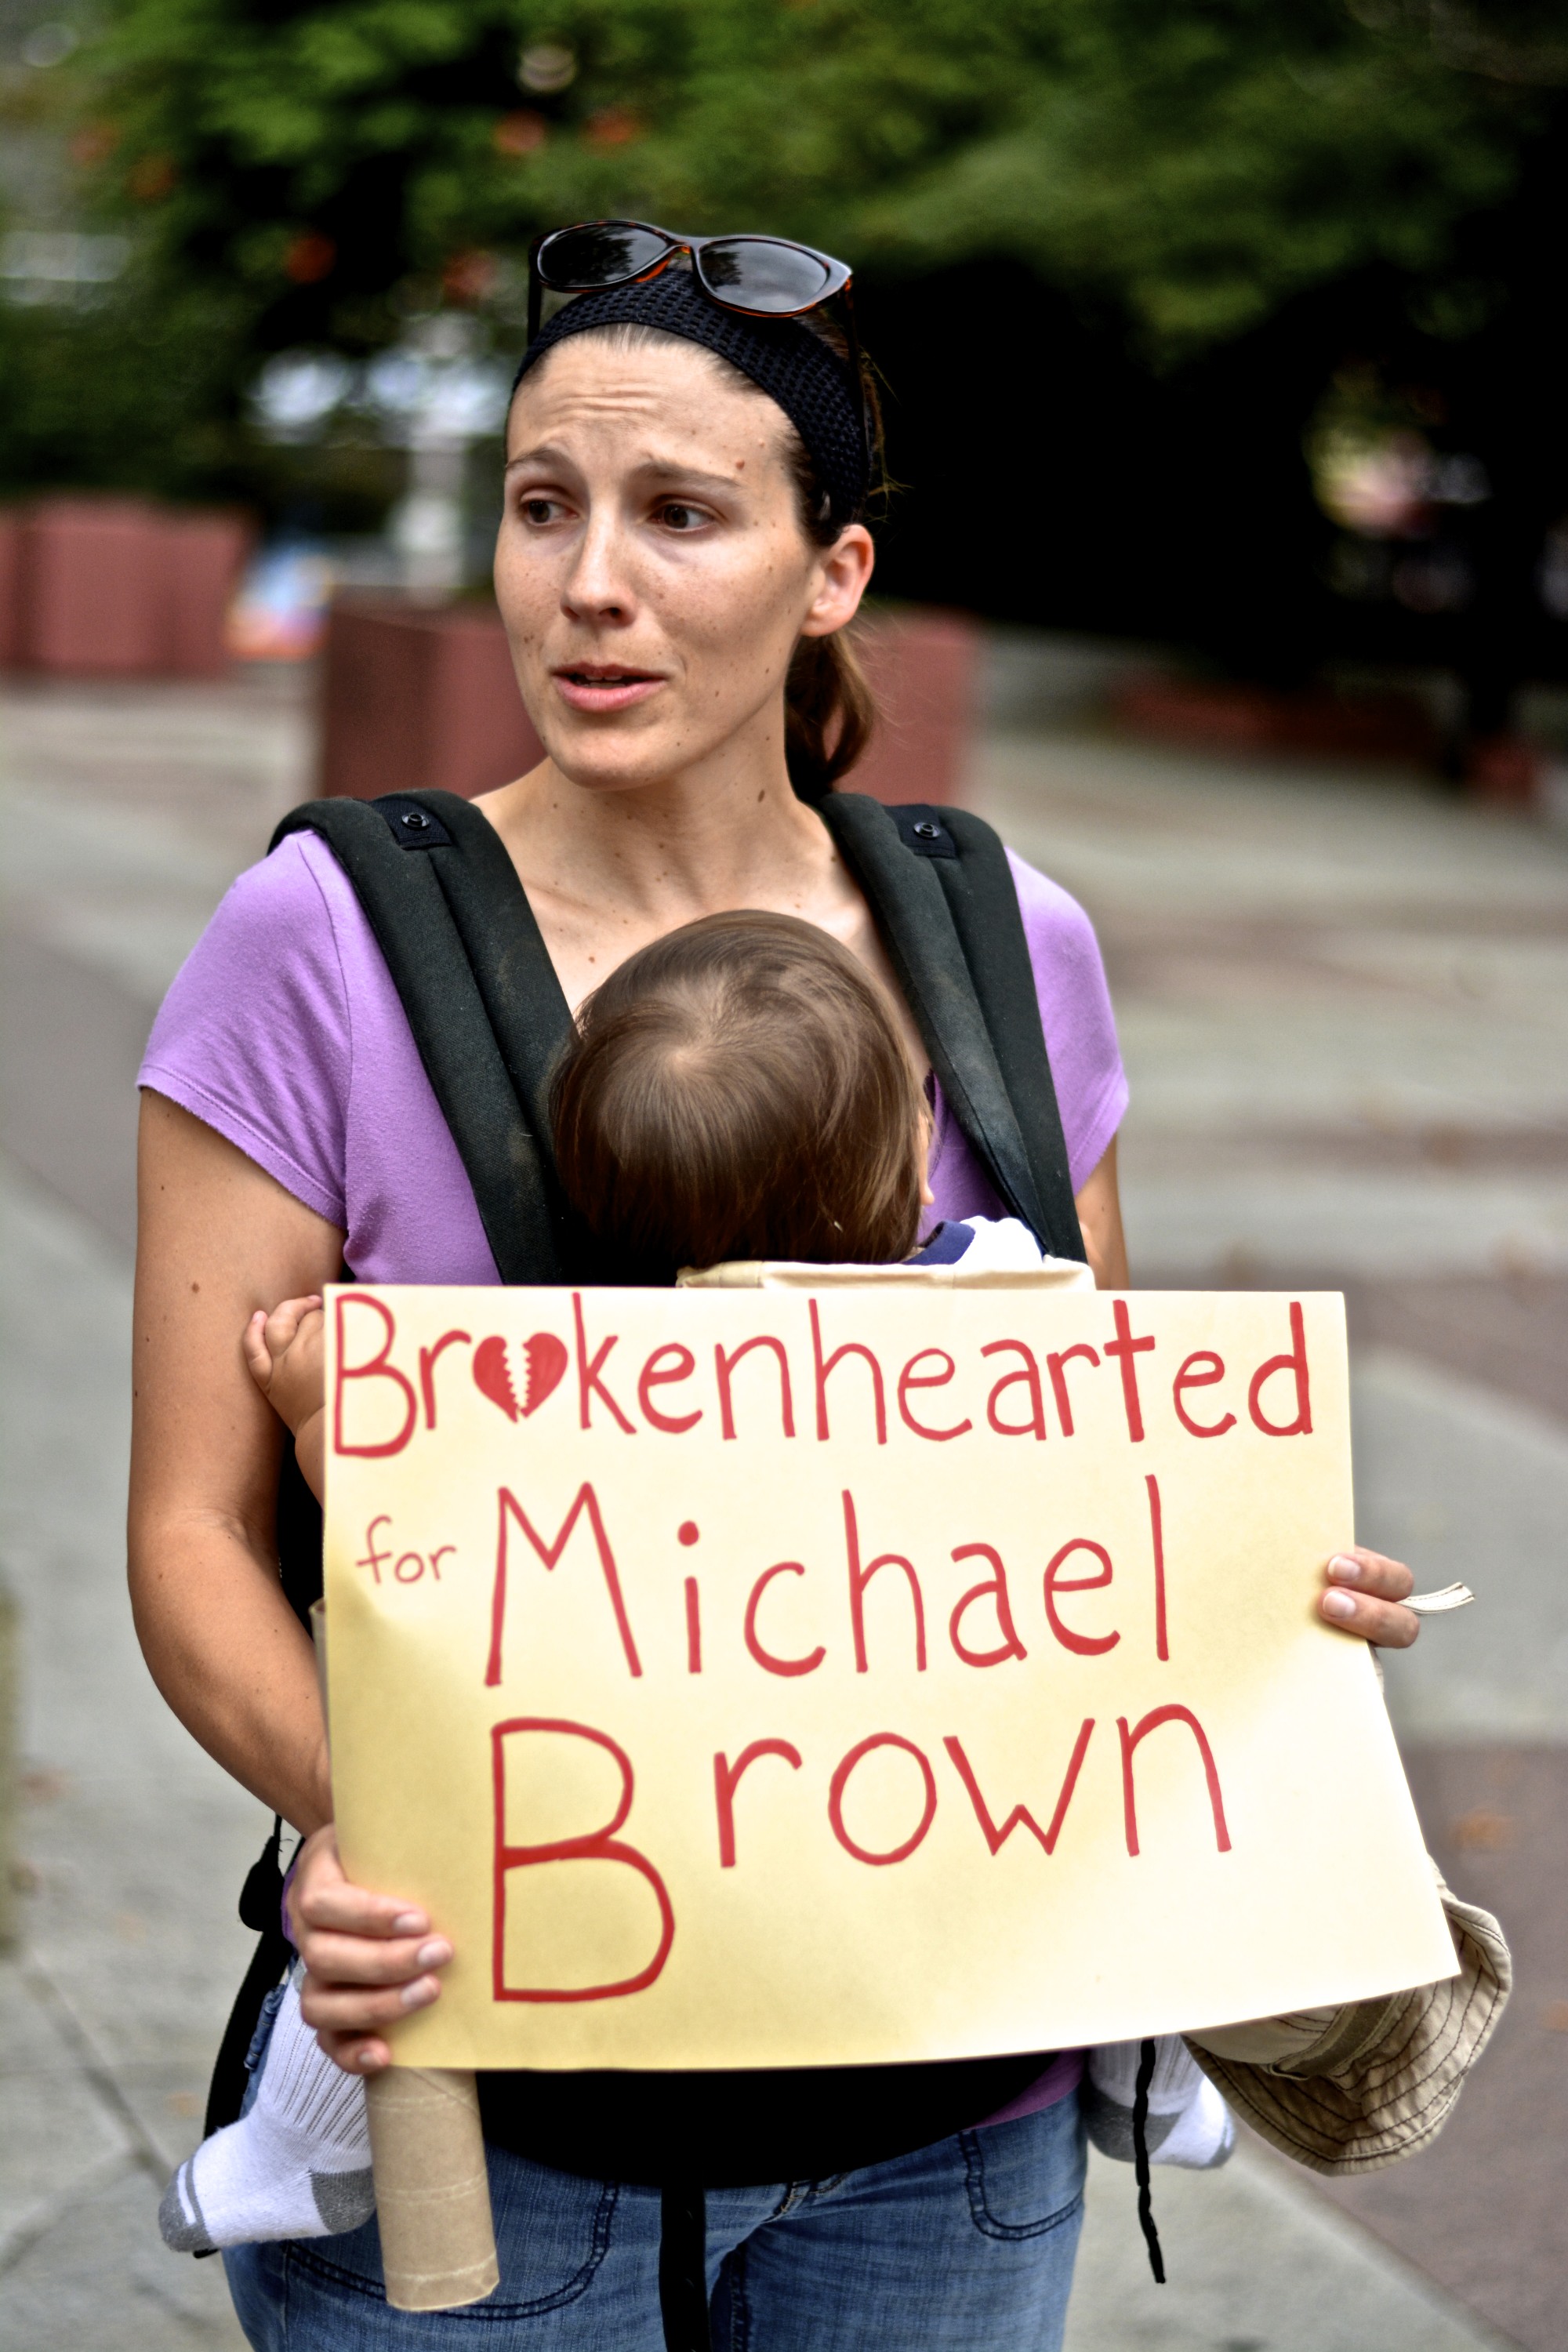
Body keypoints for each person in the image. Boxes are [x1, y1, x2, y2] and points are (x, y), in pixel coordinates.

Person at [129, 233, 1420, 2350]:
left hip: (957, 2136)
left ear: (834, 572)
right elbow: (189, 1532)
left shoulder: (1007, 942)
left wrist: (1259, 1592)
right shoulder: (323, 938)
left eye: (680, 514)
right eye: (541, 506)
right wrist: (374, 1826)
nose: (588, 585)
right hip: (496, 2123)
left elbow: (1085, 1488)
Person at [159, 909, 1234, 2259]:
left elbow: (411, 1533)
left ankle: (306, 2143)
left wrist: (330, 1412)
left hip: (666, 1816)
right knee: (1115, 1804)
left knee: (410, 1869)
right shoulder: (1008, 1295)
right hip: (925, 1794)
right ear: (918, 1151)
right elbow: (1134, 1496)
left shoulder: (597, 1385)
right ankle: (1151, 2073)